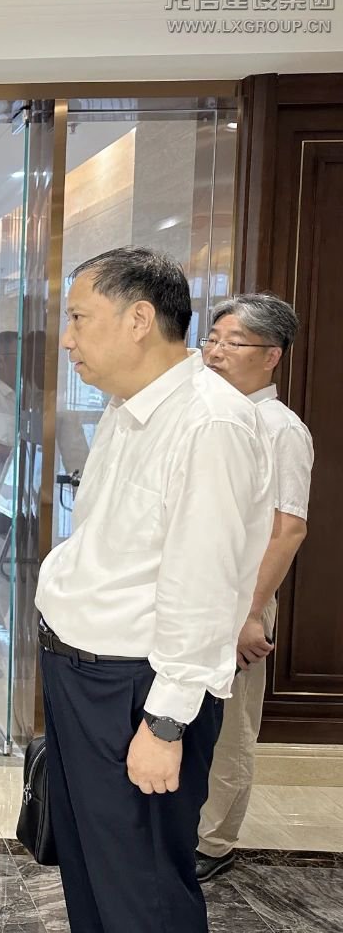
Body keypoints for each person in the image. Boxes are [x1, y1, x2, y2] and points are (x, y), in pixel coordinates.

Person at [34, 247, 273, 933]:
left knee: (142, 887)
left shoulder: (209, 424)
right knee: (92, 868)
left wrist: (166, 724)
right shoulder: (127, 408)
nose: (68, 339)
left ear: (139, 319)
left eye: (80, 318)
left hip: (137, 689)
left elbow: (205, 586)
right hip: (84, 673)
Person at [196, 294, 314, 882]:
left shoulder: (280, 428)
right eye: (212, 339)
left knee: (231, 726)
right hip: (198, 590)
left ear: (272, 356)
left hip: (243, 598)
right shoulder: (212, 416)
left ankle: (214, 841)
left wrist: (250, 614)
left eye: (233, 342)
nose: (216, 352)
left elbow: (288, 529)